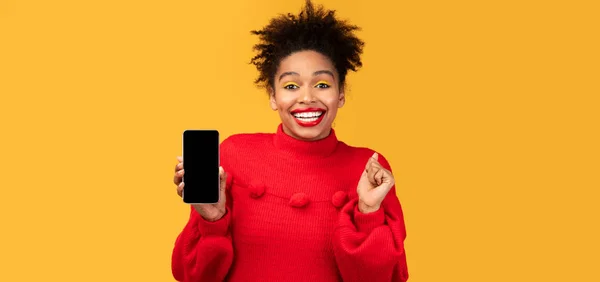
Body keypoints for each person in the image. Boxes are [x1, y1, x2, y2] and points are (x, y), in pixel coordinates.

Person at [171, 1, 409, 281]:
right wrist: (212, 220)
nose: (307, 97)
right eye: (291, 86)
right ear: (273, 96)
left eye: (322, 84)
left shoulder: (368, 169)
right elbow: (191, 276)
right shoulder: (233, 155)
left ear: (341, 93)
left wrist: (368, 213)